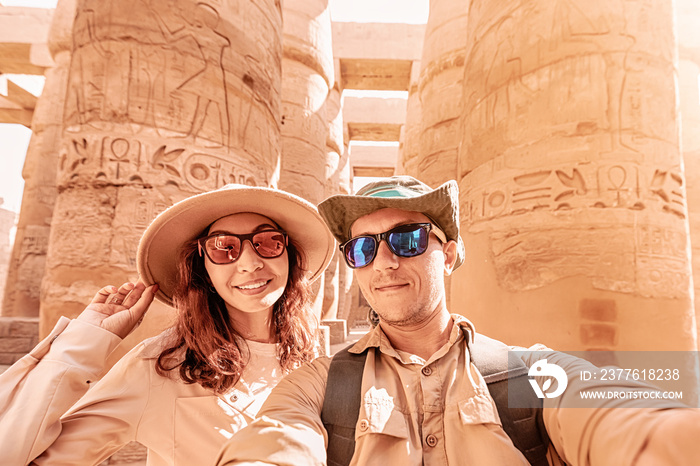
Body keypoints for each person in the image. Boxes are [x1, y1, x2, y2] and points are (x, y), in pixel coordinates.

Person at [215, 176, 700, 466]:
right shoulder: (316, 385)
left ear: (447, 255)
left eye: (406, 240)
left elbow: (620, 421)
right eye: (363, 249)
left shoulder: (531, 374)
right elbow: (276, 441)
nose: (384, 263)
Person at [0, 183, 335, 465]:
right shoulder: (159, 366)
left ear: (288, 254)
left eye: (268, 242)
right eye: (224, 248)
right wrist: (83, 342)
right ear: (202, 265)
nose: (250, 262)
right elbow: (14, 454)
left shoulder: (310, 353)